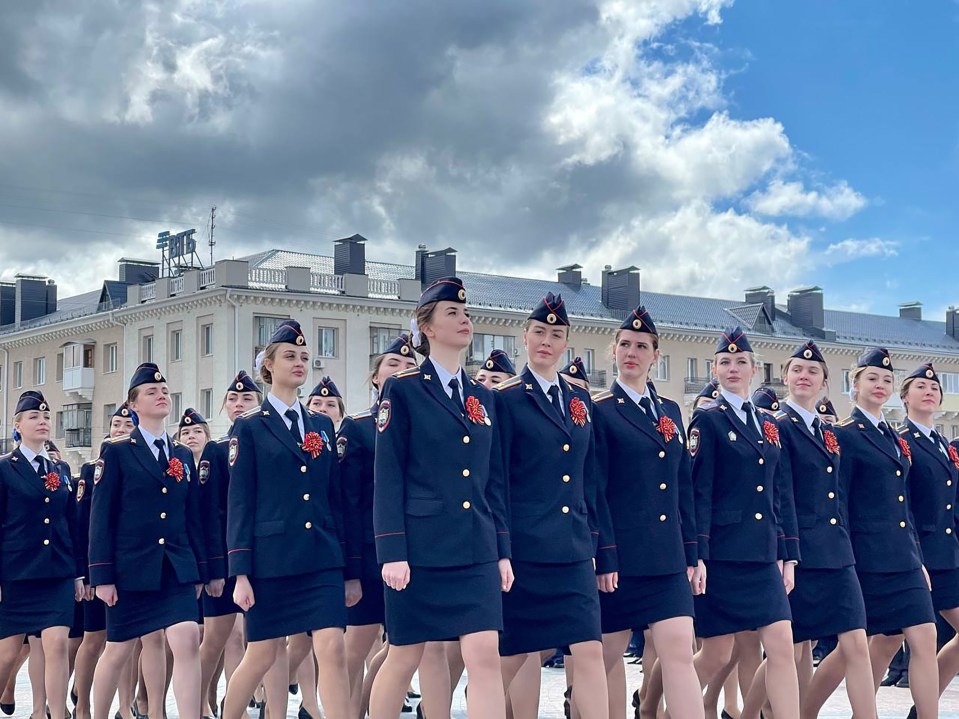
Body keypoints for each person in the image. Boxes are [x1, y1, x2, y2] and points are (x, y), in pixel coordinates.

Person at [370, 276, 512, 719]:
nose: (464, 320)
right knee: (404, 656)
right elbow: (388, 476)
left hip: (476, 547)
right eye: (453, 313)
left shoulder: (484, 397)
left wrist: (502, 550)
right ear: (427, 328)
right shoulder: (405, 389)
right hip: (421, 550)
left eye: (466, 313)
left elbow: (494, 483)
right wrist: (392, 550)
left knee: (485, 654)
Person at [223, 320, 359, 719]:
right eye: (289, 356)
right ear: (268, 365)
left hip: (321, 557)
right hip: (272, 561)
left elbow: (335, 499)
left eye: (304, 357)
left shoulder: (320, 424)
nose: (299, 362)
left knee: (332, 647)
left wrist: (349, 569)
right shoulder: (249, 427)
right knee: (262, 654)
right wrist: (241, 572)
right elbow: (241, 502)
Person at [493, 292, 610, 719]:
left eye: (556, 335)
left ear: (566, 344)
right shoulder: (504, 400)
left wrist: (599, 547)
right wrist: (501, 550)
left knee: (590, 651)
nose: (546, 340)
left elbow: (590, 481)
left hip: (574, 550)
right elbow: (496, 482)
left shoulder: (580, 402)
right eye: (539, 332)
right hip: (525, 553)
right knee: (510, 660)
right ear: (524, 336)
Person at [743, 341, 875, 719]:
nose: (804, 376)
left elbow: (840, 498)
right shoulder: (775, 427)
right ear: (785, 377)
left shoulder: (827, 432)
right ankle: (750, 714)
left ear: (824, 383)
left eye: (813, 371)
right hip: (798, 553)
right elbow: (775, 495)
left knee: (856, 641)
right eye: (797, 370)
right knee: (792, 648)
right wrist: (785, 552)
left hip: (837, 551)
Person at [592, 306, 704, 719]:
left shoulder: (671, 411)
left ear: (656, 355)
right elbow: (596, 489)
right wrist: (604, 554)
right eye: (624, 345)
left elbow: (683, 487)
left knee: (678, 650)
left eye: (641, 346)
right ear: (614, 352)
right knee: (603, 659)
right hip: (622, 557)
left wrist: (692, 554)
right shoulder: (600, 409)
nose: (632, 352)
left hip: (667, 556)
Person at [688, 327, 801, 719]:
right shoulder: (708, 421)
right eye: (725, 362)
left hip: (764, 553)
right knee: (717, 653)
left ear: (754, 369)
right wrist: (697, 554)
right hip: (722, 554)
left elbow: (780, 495)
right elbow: (699, 493)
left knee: (782, 644)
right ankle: (664, 708)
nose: (732, 368)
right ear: (714, 370)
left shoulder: (769, 425)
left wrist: (789, 554)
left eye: (740, 362)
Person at [89, 363, 207, 719]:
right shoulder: (118, 451)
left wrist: (200, 570)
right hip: (131, 570)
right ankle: (94, 714)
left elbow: (192, 518)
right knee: (118, 650)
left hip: (175, 567)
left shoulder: (182, 455)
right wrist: (102, 577)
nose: (161, 395)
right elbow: (101, 518)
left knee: (187, 639)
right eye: (152, 392)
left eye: (164, 390)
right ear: (134, 405)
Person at [824, 348, 937, 716]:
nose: (879, 385)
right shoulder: (844, 434)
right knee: (855, 650)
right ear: (854, 385)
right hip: (865, 558)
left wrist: (917, 557)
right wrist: (846, 559)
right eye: (871, 378)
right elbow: (838, 503)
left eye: (886, 379)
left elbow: (904, 506)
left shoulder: (893, 436)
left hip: (903, 557)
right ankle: (805, 710)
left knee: (924, 636)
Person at [338, 334, 417, 717]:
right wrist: (351, 569)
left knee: (403, 645)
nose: (401, 372)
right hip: (369, 556)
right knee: (356, 646)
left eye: (408, 367)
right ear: (375, 378)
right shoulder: (357, 427)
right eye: (392, 366)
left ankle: (372, 706)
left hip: (413, 553)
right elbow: (348, 504)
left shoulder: (424, 424)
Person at [0, 391, 84, 719]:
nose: (42, 422)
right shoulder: (5, 469)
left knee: (58, 646)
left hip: (57, 573)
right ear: (17, 425)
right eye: (34, 417)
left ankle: (53, 713)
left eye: (47, 417)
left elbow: (70, 524)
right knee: (7, 654)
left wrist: (78, 573)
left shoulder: (60, 469)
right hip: (17, 575)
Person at [197, 372, 261, 719]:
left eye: (247, 399)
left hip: (261, 557)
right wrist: (212, 568)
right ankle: (201, 700)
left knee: (250, 639)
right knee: (216, 639)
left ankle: (233, 702)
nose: (239, 405)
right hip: (223, 559)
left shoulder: (267, 442)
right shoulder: (217, 450)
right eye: (233, 400)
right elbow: (209, 514)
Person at [900, 363, 959, 714]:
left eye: (934, 388)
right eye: (920, 386)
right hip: (916, 554)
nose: (929, 392)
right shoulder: (902, 442)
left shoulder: (943, 445)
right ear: (905, 397)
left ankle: (922, 708)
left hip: (947, 555)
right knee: (880, 643)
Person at [72, 405, 136, 719]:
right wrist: (85, 574)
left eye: (128, 424)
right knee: (94, 638)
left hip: (129, 569)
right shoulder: (91, 469)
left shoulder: (141, 464)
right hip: (99, 569)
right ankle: (83, 705)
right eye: (116, 423)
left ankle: (125, 707)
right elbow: (85, 524)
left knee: (127, 642)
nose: (122, 428)